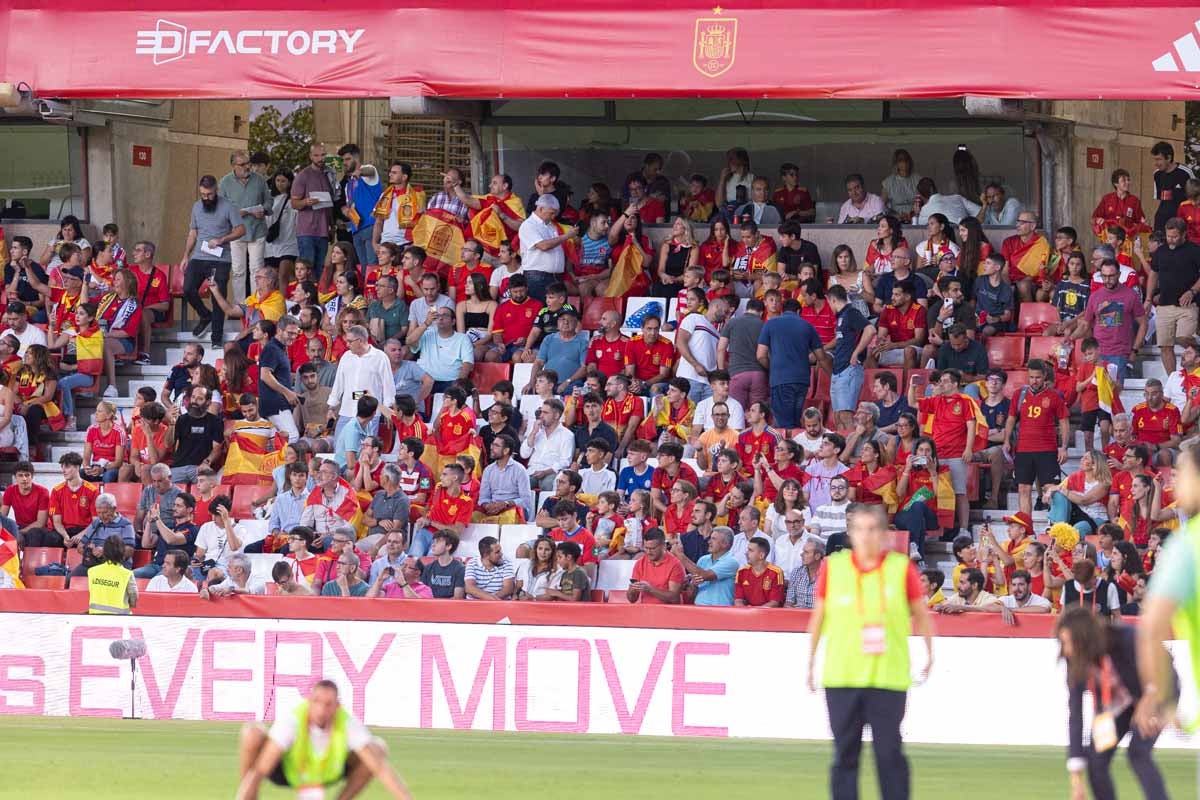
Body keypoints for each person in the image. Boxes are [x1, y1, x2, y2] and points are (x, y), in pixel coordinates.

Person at [807, 503, 933, 800]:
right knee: (844, 754)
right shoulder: (833, 567)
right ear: (850, 533)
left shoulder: (900, 568)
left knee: (889, 753)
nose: (866, 536)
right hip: (842, 675)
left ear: (885, 533)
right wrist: (810, 662)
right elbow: (819, 616)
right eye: (860, 530)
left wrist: (930, 653)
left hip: (887, 676)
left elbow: (922, 614)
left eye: (873, 529)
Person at [1057, 608, 1174, 800]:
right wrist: (1076, 780)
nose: (1066, 650)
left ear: (1084, 639)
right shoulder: (1075, 660)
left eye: (1069, 643)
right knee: (1096, 758)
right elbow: (1075, 713)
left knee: (1138, 752)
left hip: (1159, 692)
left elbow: (1164, 664)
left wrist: (1151, 700)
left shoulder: (1125, 638)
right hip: (1120, 705)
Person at [236, 679, 412, 800]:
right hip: (290, 772)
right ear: (309, 701)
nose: (321, 710)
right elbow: (261, 770)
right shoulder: (292, 721)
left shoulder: (346, 722)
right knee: (252, 733)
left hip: (327, 773)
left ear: (337, 706)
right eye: (317, 702)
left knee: (378, 748)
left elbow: (380, 769)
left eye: (328, 704)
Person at [179, 174, 247, 345]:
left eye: (209, 194)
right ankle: (204, 315)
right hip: (199, 256)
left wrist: (222, 239)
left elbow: (241, 230)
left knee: (218, 295)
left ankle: (217, 337)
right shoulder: (196, 207)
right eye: (203, 194)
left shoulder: (228, 206)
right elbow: (193, 233)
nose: (206, 198)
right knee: (188, 288)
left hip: (221, 258)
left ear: (216, 191)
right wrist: (186, 256)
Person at [1004, 359, 1070, 519]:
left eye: (1038, 377)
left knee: (1052, 488)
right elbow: (1011, 418)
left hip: (1047, 450)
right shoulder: (1019, 394)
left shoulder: (1054, 396)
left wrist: (1064, 447)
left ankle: (1056, 526)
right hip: (1024, 450)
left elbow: (1064, 422)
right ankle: (1026, 528)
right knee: (1024, 489)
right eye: (1031, 377)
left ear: (1044, 376)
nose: (1034, 381)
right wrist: (1006, 440)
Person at [756, 298, 828, 429]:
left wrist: (772, 368)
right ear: (799, 311)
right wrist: (832, 375)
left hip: (780, 379)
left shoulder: (770, 324)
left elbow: (760, 355)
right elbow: (821, 356)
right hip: (802, 380)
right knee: (795, 421)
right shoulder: (808, 326)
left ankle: (788, 447)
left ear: (782, 310)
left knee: (784, 424)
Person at [1146, 217, 1200, 375]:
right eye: (1168, 236)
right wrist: (1149, 298)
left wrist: (1192, 291)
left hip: (1187, 305)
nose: (1171, 239)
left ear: (1184, 234)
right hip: (1164, 305)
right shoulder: (1160, 252)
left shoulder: (1194, 250)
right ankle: (1173, 379)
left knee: (1183, 338)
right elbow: (1153, 274)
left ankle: (1195, 364)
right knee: (1165, 345)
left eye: (1175, 236)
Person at [627, 527, 684, 604]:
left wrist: (650, 589)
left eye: (652, 548)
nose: (648, 552)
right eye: (646, 548)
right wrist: (631, 590)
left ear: (664, 546)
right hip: (646, 611)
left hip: (668, 613)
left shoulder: (675, 564)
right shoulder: (640, 563)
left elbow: (674, 597)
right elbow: (632, 600)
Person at [85, 534, 137, 615]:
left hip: (95, 617)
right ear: (123, 552)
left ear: (104, 552)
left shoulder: (92, 571)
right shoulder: (127, 574)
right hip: (121, 620)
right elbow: (133, 600)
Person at [734, 537, 786, 607]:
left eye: (750, 550)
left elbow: (774, 603)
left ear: (761, 555)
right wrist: (746, 613)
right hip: (747, 613)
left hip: (769, 614)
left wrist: (754, 613)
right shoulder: (741, 572)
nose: (746, 553)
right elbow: (738, 600)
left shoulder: (776, 572)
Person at [465, 536, 516, 600]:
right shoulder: (472, 563)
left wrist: (490, 602)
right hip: (476, 605)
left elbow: (508, 589)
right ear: (486, 555)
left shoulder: (506, 562)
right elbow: (469, 587)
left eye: (500, 550)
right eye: (497, 552)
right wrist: (489, 600)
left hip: (499, 605)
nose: (501, 554)